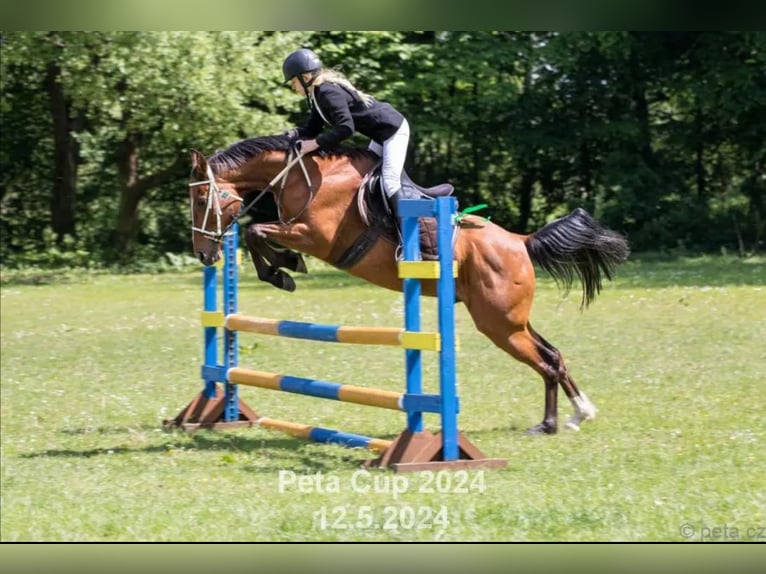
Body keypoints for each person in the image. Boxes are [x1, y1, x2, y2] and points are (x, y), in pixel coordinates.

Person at [281, 48, 414, 219]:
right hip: (380, 135)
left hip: (393, 130)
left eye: (293, 82)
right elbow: (312, 129)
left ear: (304, 77)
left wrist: (314, 144)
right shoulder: (316, 96)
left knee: (389, 180)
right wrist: (289, 135)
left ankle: (408, 232)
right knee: (366, 174)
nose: (293, 87)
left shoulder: (327, 92)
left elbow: (346, 128)